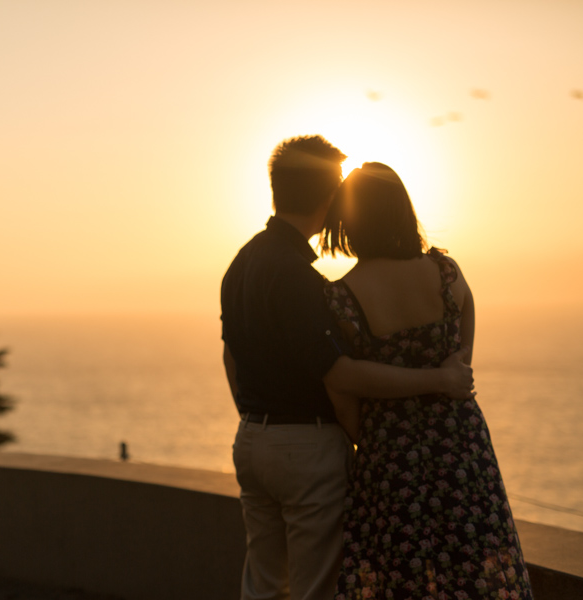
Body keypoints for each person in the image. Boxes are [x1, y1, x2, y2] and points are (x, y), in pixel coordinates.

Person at [221, 137, 475, 600]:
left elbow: (231, 356)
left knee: (263, 585)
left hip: (252, 438)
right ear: (327, 196)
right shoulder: (300, 279)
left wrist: (256, 421)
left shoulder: (242, 262)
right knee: (315, 588)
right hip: (304, 445)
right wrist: (439, 379)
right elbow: (339, 373)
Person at [320, 162, 533, 600]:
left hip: (389, 453)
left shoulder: (341, 297)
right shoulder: (446, 271)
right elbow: (467, 318)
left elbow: (343, 389)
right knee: (475, 566)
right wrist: (454, 370)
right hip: (461, 442)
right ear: (403, 210)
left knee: (399, 576)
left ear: (349, 222)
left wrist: (370, 436)